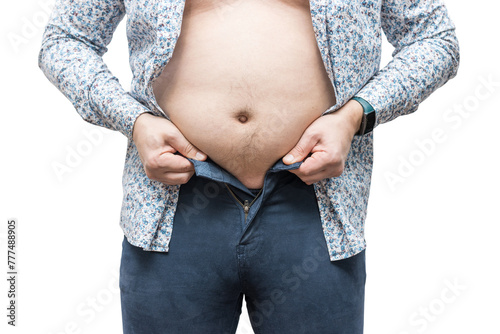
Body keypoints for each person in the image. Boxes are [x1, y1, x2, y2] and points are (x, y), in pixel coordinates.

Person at [38, 0, 459, 333]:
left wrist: (356, 115)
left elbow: (434, 39)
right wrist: (133, 121)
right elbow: (65, 39)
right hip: (171, 208)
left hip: (315, 209)